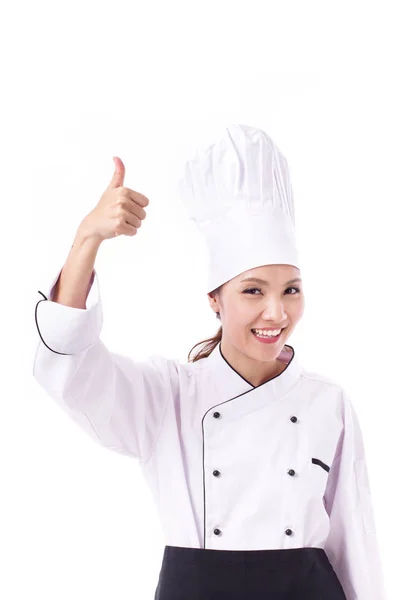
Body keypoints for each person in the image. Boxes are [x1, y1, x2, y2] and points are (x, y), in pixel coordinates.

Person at [33, 124, 387, 599]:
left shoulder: (329, 402)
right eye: (253, 291)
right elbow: (72, 370)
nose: (276, 313)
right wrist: (87, 239)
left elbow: (354, 542)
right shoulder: (167, 395)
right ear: (215, 300)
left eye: (291, 290)